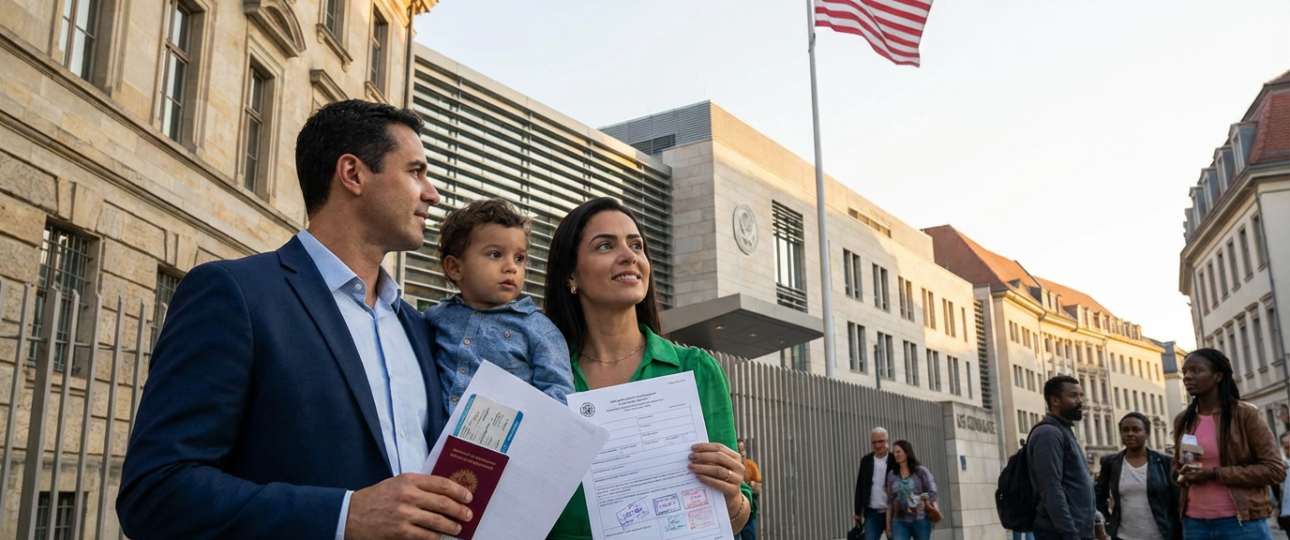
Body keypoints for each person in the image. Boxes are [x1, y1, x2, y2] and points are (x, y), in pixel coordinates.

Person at [117, 100, 474, 540]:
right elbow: (155, 492)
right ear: (353, 174)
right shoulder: (234, 294)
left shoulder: (417, 326)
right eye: (416, 172)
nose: (432, 193)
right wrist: (344, 516)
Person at [541, 197, 755, 539]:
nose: (629, 256)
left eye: (636, 245)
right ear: (571, 274)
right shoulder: (540, 375)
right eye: (605, 245)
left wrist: (730, 493)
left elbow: (735, 520)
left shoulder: (696, 370)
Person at [426, 198, 573, 413]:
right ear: (455, 268)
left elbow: (560, 392)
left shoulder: (539, 329)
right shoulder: (434, 318)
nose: (511, 267)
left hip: (513, 432)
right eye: (495, 255)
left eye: (519, 258)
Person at [1173, 348, 1284, 540]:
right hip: (1194, 523)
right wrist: (1182, 472)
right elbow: (1177, 464)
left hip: (1241, 522)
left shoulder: (1245, 414)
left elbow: (1274, 470)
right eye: (1185, 372)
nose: (1187, 377)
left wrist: (1214, 473)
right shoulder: (1183, 420)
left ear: (1218, 376)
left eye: (1196, 370)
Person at [1030, 375, 1098, 540]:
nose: (1080, 401)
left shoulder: (1063, 430)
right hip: (1060, 534)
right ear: (1054, 400)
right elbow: (1051, 489)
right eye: (1073, 396)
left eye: (1081, 395)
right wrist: (1070, 534)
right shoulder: (1048, 433)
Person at [1093, 412, 1181, 540]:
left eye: (1136, 430)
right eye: (1125, 430)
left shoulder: (1165, 462)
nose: (1130, 434)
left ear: (1147, 434)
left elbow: (1178, 501)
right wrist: (1107, 521)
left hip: (1161, 535)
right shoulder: (1111, 463)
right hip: (1123, 536)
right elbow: (1098, 495)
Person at [884, 440, 938, 540]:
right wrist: (888, 525)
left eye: (898, 452)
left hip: (920, 519)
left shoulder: (921, 471)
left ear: (907, 452)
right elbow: (890, 501)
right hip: (899, 520)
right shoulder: (892, 475)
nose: (895, 454)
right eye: (894, 452)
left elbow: (932, 492)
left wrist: (920, 500)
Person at [855, 427, 898, 540]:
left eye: (881, 441)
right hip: (872, 512)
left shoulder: (895, 460)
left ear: (887, 441)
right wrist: (857, 512)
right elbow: (860, 486)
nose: (877, 445)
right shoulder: (866, 461)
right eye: (874, 442)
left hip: (893, 513)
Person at [739, 439, 763, 540]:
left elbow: (757, 488)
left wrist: (748, 485)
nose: (742, 453)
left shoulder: (750, 466)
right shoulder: (730, 467)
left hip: (749, 510)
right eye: (739, 450)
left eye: (743, 449)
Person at [1271, 431, 1290, 540]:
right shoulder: (1283, 468)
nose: (1288, 451)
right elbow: (1278, 492)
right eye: (1286, 448)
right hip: (1287, 515)